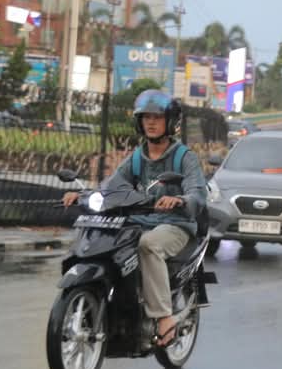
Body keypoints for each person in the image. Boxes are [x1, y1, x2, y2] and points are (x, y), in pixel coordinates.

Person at [62, 90, 207, 347]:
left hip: (175, 224)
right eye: (145, 117)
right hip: (141, 221)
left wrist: (181, 200)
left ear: (170, 121)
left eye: (157, 117)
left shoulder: (185, 157)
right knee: (113, 244)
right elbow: (111, 186)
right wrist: (84, 195)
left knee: (148, 245)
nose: (151, 122)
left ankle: (163, 317)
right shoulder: (137, 158)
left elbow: (197, 192)